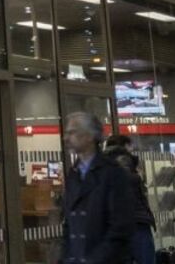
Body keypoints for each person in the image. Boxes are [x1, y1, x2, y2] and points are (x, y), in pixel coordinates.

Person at [61, 111, 133, 264]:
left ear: (90, 136)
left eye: (73, 132)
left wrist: (95, 259)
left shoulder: (113, 173)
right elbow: (69, 224)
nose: (66, 138)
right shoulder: (73, 174)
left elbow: (120, 228)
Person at [103, 133, 156, 264]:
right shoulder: (123, 160)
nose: (132, 149)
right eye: (130, 146)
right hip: (135, 222)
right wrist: (138, 176)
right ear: (124, 146)